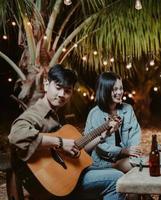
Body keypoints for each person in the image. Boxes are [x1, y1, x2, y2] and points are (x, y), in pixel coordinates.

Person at [8, 64, 125, 200]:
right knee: (117, 180)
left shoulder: (55, 115)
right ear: (46, 84)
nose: (62, 94)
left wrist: (103, 135)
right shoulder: (35, 114)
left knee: (115, 172)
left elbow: (78, 147)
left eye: (68, 91)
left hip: (66, 179)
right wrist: (60, 142)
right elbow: (16, 136)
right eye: (58, 88)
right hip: (50, 185)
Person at [84, 72, 141, 173]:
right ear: (105, 90)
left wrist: (133, 150)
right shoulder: (94, 114)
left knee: (145, 164)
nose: (120, 92)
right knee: (135, 168)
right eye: (115, 89)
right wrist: (122, 151)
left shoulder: (128, 109)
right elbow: (98, 146)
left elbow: (135, 133)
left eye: (121, 88)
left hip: (127, 157)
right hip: (103, 162)